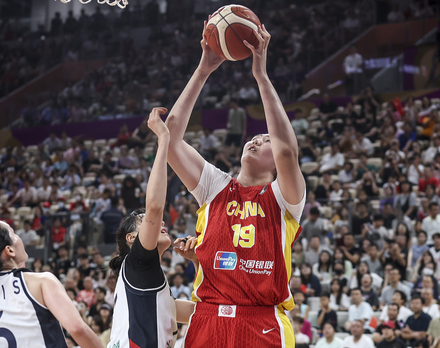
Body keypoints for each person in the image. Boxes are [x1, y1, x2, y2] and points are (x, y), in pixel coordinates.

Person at [164, 23, 306, 347]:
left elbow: (287, 150)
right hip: (207, 319)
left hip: (263, 322)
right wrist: (203, 70)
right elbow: (169, 140)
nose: (256, 140)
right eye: (255, 137)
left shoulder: (285, 197)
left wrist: (261, 77)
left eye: (265, 139)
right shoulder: (214, 186)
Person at [107, 108, 191, 348]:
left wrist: (197, 262)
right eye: (145, 220)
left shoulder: (146, 281)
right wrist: (163, 139)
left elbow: (201, 312)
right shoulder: (137, 262)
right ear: (132, 238)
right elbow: (155, 206)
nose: (161, 223)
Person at [0, 220, 103, 348]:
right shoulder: (40, 282)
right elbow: (77, 329)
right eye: (13, 233)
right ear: (9, 250)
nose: (18, 237)